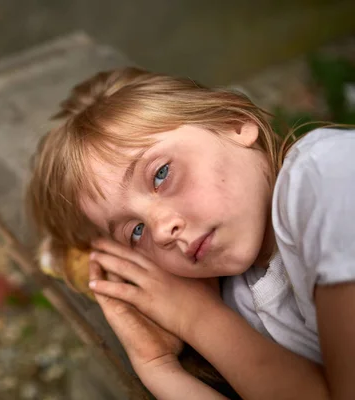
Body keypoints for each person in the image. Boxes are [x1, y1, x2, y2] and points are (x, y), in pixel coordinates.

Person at [27, 67, 355, 399]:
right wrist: (158, 367)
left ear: (234, 123)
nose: (161, 230)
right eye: (136, 231)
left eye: (161, 174)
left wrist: (199, 319)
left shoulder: (328, 177)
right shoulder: (237, 296)